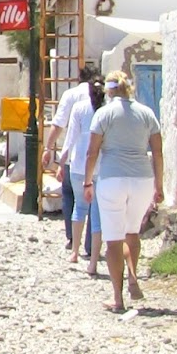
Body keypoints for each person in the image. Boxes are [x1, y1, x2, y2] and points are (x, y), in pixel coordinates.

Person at [82, 70, 163, 314]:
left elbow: (92, 152)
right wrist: (159, 185)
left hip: (112, 179)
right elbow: (158, 152)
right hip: (142, 179)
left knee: (114, 240)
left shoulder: (104, 114)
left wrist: (87, 182)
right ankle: (133, 275)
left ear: (108, 91)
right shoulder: (146, 113)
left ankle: (118, 298)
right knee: (132, 232)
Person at [44, 65, 99, 258]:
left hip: (75, 157)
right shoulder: (102, 99)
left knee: (71, 196)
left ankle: (72, 239)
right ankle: (91, 246)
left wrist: (49, 148)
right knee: (95, 205)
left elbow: (58, 124)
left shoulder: (71, 95)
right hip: (98, 159)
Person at [62, 76, 106, 276]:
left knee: (79, 208)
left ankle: (74, 251)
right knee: (97, 215)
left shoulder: (79, 108)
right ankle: (94, 261)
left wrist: (61, 160)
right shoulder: (107, 110)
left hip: (79, 165)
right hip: (102, 167)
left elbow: (70, 137)